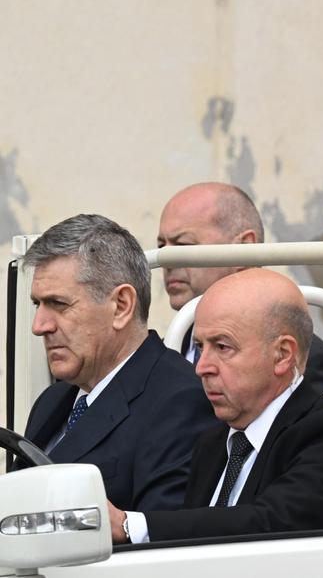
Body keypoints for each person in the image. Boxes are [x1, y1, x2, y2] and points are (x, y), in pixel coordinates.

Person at [109, 269, 323, 543]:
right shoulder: (214, 443)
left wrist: (130, 526)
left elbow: (268, 526)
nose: (201, 367)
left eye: (222, 347)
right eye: (199, 347)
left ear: (282, 355)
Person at [20, 214, 219, 511]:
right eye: (38, 305)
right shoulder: (53, 400)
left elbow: (161, 541)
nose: (39, 325)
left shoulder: (181, 400)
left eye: (59, 304)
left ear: (121, 306)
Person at [157, 182, 323, 394]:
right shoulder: (168, 349)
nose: (167, 260)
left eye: (183, 244)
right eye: (161, 247)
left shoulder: (308, 364)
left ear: (245, 248)